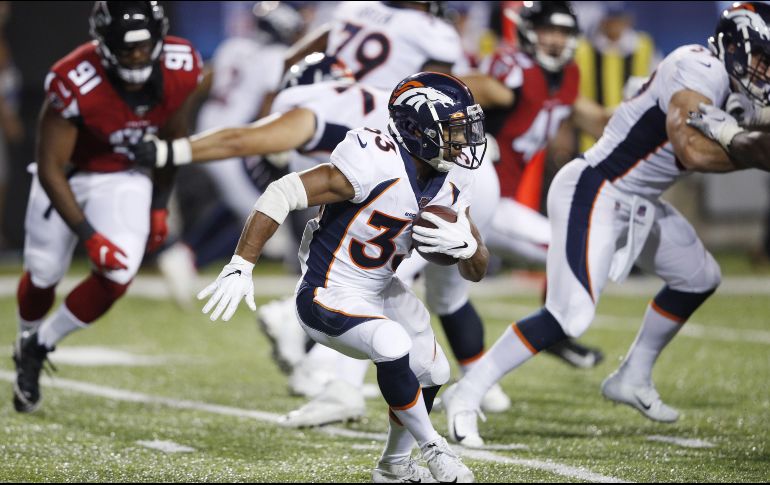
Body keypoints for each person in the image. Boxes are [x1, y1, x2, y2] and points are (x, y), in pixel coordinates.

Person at [442, 1, 770, 448]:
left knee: (699, 276)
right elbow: (692, 151)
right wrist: (742, 143)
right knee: (570, 314)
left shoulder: (742, 89)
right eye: (760, 57)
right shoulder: (697, 66)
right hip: (597, 187)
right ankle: (468, 391)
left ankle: (633, 376)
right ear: (733, 45)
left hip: (637, 201)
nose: (764, 70)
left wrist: (742, 138)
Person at [198, 72, 485, 482]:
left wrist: (468, 249)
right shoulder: (375, 159)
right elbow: (282, 192)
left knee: (434, 371)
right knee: (392, 343)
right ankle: (434, 447)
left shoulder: (456, 178)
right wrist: (242, 263)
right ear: (418, 128)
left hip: (382, 287)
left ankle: (393, 467)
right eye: (452, 130)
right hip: (327, 290)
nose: (463, 141)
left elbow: (475, 269)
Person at [11, 1, 202, 413]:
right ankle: (26, 333)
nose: (137, 56)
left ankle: (39, 346)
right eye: (126, 48)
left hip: (121, 175)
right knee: (44, 273)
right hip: (67, 175)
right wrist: (89, 236)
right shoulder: (74, 78)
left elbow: (172, 141)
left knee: (118, 271)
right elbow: (50, 167)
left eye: (144, 46)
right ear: (104, 46)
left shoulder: (181, 65)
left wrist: (159, 207)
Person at [466, 1, 609, 367]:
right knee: (569, 248)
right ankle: (550, 332)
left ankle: (551, 332)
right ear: (529, 31)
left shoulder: (565, 78)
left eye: (563, 32)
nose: (556, 40)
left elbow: (598, 121)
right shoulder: (513, 69)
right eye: (549, 30)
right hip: (480, 198)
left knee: (433, 291)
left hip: (499, 203)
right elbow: (467, 88)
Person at [156, 0, 309, 307]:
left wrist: (179, 124)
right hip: (235, 143)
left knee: (240, 205)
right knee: (259, 213)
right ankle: (189, 257)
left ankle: (187, 254)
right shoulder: (276, 57)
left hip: (206, 134)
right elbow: (268, 107)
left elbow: (200, 83)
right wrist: (276, 139)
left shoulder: (233, 47)